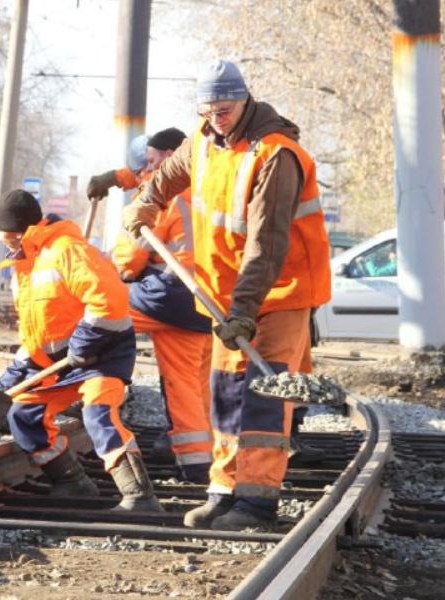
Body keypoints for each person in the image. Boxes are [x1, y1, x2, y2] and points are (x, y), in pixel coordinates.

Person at [122, 59, 331, 530]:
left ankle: (257, 501)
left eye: (226, 108)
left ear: (245, 99)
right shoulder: (202, 140)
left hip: (277, 293)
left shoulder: (275, 155)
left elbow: (267, 244)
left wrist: (243, 310)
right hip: (224, 298)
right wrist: (146, 203)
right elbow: (169, 173)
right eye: (209, 109)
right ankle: (223, 490)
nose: (217, 117)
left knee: (261, 396)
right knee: (224, 394)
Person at [0, 189, 162, 511]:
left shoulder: (67, 251)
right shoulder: (25, 265)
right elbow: (37, 331)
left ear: (21, 230)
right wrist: (14, 376)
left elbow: (110, 301)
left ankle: (140, 496)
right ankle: (72, 482)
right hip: (62, 362)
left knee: (99, 412)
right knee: (24, 414)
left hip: (103, 354)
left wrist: (84, 344)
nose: (5, 243)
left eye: (7, 237)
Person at [89, 128, 214, 484]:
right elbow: (144, 172)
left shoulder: (164, 197)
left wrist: (113, 269)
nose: (149, 163)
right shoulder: (208, 184)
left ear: (172, 155)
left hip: (168, 294)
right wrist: (115, 177)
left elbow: (129, 257)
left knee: (98, 319)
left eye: (154, 157)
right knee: (188, 381)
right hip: (207, 300)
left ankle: (72, 388)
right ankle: (197, 462)